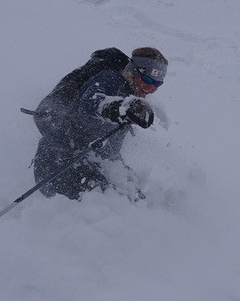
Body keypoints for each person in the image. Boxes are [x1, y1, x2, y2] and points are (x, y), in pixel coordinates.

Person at [32, 47, 168, 200]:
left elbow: (110, 150)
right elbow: (92, 101)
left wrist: (124, 173)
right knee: (110, 206)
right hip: (58, 162)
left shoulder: (130, 97)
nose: (151, 88)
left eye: (157, 83)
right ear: (134, 71)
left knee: (134, 200)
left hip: (86, 162)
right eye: (147, 79)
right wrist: (119, 109)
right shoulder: (110, 79)